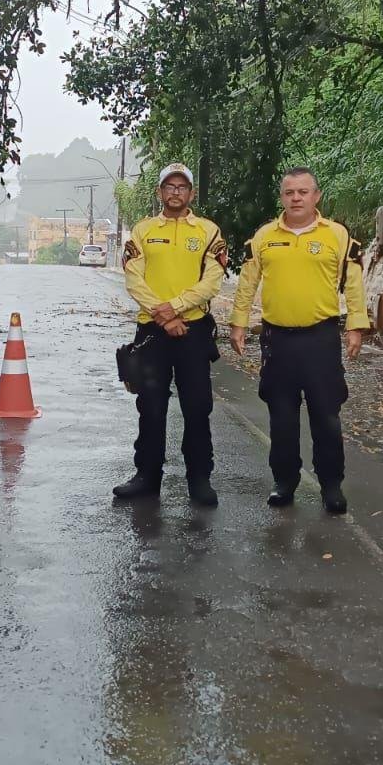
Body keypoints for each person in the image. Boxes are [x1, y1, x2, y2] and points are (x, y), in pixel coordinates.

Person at [228, 167, 369, 515]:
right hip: (278, 341)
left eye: (303, 192)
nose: (296, 198)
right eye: (289, 192)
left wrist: (356, 325)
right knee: (282, 416)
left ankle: (331, 484)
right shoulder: (264, 237)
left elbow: (353, 283)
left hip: (320, 339)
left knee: (326, 414)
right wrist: (239, 322)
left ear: (316, 196)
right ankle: (284, 481)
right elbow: (247, 282)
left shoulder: (337, 235)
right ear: (282, 197)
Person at [113, 163, 227, 507]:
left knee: (197, 407)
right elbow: (134, 278)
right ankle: (146, 476)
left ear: (191, 194)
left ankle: (199, 480)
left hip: (193, 331)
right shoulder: (143, 231)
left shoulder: (208, 231)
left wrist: (174, 308)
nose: (175, 192)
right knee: (151, 406)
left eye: (182, 187)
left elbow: (212, 281)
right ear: (160, 192)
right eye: (169, 186)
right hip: (152, 333)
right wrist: (163, 317)